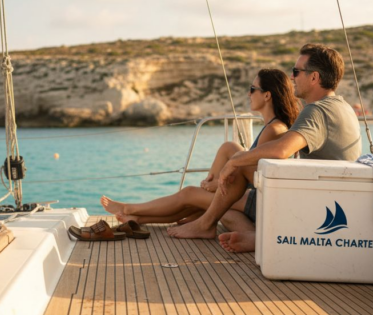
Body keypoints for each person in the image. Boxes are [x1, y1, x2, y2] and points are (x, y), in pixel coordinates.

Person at [165, 43, 362, 253]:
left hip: (317, 207)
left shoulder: (317, 111)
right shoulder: (342, 106)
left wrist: (235, 161)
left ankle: (207, 225)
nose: (293, 77)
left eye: (296, 72)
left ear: (314, 77)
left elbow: (282, 150)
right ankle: (256, 237)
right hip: (333, 200)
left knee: (238, 161)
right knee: (230, 204)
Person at [100, 68, 301, 232]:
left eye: (252, 89)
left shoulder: (274, 130)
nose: (249, 94)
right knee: (228, 148)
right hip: (251, 198)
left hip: (256, 202)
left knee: (189, 194)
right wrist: (216, 182)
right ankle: (136, 217)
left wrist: (219, 183)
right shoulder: (273, 126)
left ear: (267, 95)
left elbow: (257, 178)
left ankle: (130, 208)